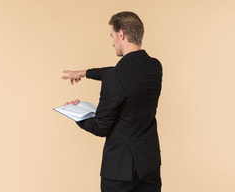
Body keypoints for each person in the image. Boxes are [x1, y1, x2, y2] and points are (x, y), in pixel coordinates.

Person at [62, 11, 163, 192]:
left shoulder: (115, 77)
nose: (113, 42)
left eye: (113, 36)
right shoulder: (155, 66)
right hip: (149, 165)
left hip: (120, 171)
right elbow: (124, 72)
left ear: (122, 34)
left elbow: (101, 127)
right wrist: (85, 73)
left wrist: (76, 115)